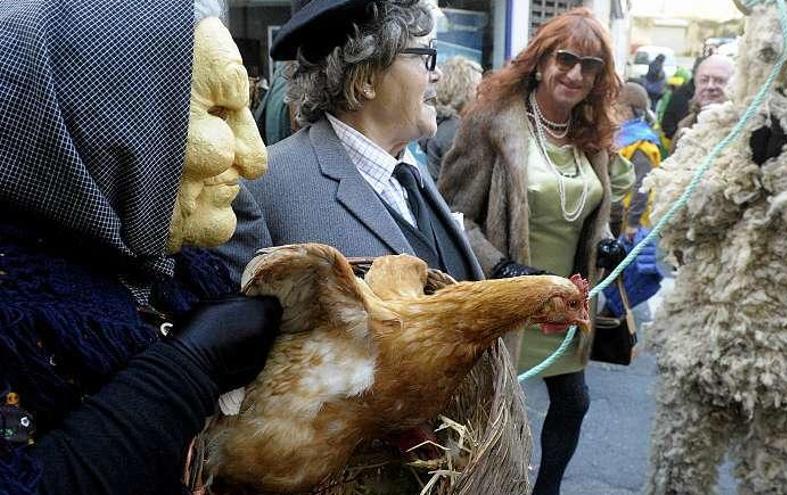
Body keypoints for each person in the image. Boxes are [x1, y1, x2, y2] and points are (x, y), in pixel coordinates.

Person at [0, 1, 283, 493]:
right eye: (217, 111)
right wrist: (187, 369)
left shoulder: (175, 270)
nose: (256, 158)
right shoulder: (15, 312)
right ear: (99, 130)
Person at [437, 8, 634, 495]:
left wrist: (606, 241)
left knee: (573, 401)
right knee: (491, 412)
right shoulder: (492, 122)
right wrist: (501, 267)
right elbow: (454, 214)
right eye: (565, 59)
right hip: (505, 297)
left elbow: (590, 205)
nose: (574, 74)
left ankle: (546, 489)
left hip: (565, 302)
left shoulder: (590, 136)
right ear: (541, 60)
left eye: (589, 66)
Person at [216, 0, 482, 284]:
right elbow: (246, 323)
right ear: (365, 78)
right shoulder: (263, 188)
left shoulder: (408, 171)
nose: (437, 73)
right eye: (425, 55)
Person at [418, 56, 483, 181]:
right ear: (462, 89)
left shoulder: (440, 126)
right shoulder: (457, 132)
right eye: (477, 89)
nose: (481, 95)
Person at [611, 82, 662, 239]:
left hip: (629, 221)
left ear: (626, 111)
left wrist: (632, 223)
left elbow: (642, 185)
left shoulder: (640, 144)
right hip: (616, 214)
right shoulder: (623, 136)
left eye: (614, 108)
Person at [670, 54, 734, 153]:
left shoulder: (742, 128)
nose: (710, 86)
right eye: (704, 80)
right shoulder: (686, 125)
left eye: (719, 81)